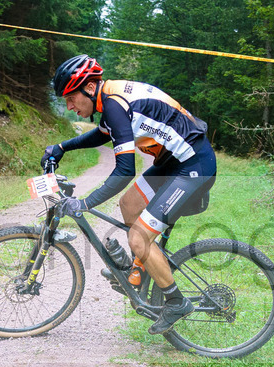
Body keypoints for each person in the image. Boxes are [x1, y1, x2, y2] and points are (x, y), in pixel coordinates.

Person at [42, 54, 217, 335]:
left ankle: (175, 301)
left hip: (194, 166)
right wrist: (62, 147)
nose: (70, 106)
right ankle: (140, 272)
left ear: (88, 88)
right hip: (173, 164)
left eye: (71, 98)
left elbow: (124, 171)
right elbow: (103, 134)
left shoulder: (113, 104)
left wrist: (85, 203)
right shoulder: (109, 101)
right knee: (129, 204)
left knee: (138, 237)